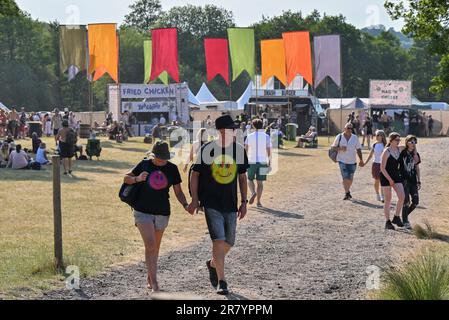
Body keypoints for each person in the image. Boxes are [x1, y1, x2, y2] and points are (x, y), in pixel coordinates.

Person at [188, 115, 249, 295]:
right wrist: (195, 199)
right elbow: (195, 174)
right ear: (221, 131)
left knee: (229, 241)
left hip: (230, 203)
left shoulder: (239, 150)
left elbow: (242, 177)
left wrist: (244, 202)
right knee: (219, 240)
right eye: (229, 129)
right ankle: (222, 281)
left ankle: (213, 263)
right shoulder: (208, 149)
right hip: (211, 202)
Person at [124, 142, 189, 292]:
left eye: (164, 159)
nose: (162, 161)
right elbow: (126, 178)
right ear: (153, 155)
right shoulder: (144, 164)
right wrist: (137, 179)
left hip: (162, 212)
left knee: (155, 248)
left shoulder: (172, 169)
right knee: (151, 245)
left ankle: (150, 276)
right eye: (159, 158)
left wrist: (185, 205)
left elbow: (178, 191)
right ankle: (154, 283)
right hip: (142, 211)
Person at [331, 123, 365, 200]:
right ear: (344, 128)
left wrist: (361, 160)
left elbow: (358, 149)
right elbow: (333, 147)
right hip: (342, 160)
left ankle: (347, 191)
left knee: (350, 179)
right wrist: (340, 148)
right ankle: (346, 193)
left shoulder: (355, 137)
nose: (349, 129)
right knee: (345, 177)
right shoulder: (339, 136)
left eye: (351, 128)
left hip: (352, 161)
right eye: (348, 128)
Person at [380, 132, 406, 230]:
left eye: (399, 140)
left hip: (396, 175)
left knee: (402, 196)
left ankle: (396, 217)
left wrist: (412, 144)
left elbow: (408, 145)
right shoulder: (386, 151)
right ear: (391, 140)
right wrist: (390, 179)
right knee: (388, 200)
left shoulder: (399, 149)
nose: (398, 142)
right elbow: (382, 168)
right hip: (386, 176)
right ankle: (387, 222)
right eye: (396, 140)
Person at [245, 119, 272, 207]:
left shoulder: (249, 136)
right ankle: (258, 202)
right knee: (260, 183)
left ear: (253, 126)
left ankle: (253, 192)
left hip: (251, 160)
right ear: (262, 125)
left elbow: (246, 150)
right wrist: (269, 162)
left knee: (249, 179)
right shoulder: (266, 136)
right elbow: (268, 150)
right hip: (263, 161)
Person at [399, 135, 421, 230]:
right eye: (412, 142)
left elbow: (417, 167)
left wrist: (419, 180)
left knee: (415, 202)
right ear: (407, 142)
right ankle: (405, 221)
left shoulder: (416, 155)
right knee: (406, 201)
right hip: (404, 180)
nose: (414, 144)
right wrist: (405, 146)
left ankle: (401, 217)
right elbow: (396, 147)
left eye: (415, 142)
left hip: (413, 181)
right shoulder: (402, 152)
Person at [364, 130, 387, 203]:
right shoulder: (374, 145)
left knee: (383, 181)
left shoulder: (385, 145)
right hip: (376, 164)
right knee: (377, 180)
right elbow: (370, 155)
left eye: (378, 135)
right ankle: (377, 194)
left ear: (382, 136)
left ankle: (383, 196)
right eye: (376, 135)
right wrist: (364, 163)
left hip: (384, 165)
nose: (376, 137)